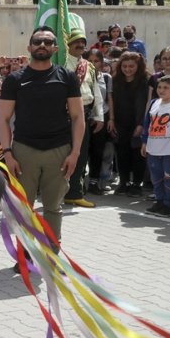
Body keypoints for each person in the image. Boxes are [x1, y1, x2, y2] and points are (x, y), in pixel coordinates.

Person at [0, 27, 84, 268]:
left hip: (59, 150)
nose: (43, 45)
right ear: (29, 47)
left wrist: (75, 153)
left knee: (53, 207)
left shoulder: (66, 77)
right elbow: (3, 119)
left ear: (55, 48)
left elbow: (78, 117)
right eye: (38, 41)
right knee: (24, 208)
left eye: (48, 42)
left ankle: (51, 254)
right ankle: (24, 254)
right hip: (24, 150)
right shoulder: (15, 79)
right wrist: (8, 153)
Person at [62, 20, 104, 209]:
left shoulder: (89, 66)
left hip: (85, 113)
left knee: (81, 154)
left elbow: (95, 92)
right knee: (62, 154)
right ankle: (58, 191)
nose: (80, 45)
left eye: (82, 42)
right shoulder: (61, 64)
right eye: (76, 41)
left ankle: (74, 193)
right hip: (63, 114)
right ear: (68, 44)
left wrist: (99, 116)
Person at [141, 76, 170, 216]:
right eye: (159, 87)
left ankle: (169, 205)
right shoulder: (154, 102)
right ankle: (159, 201)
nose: (161, 90)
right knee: (156, 177)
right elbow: (147, 124)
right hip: (153, 147)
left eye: (166, 87)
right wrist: (144, 142)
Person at [109, 51, 149, 196]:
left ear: (138, 66)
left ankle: (137, 184)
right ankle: (123, 181)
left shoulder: (145, 81)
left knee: (138, 154)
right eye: (124, 66)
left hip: (139, 122)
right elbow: (111, 101)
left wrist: (141, 123)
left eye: (131, 66)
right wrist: (112, 120)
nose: (127, 69)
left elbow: (146, 104)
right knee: (121, 153)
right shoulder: (116, 80)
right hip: (120, 122)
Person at [86, 48, 112, 195]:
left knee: (98, 150)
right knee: (83, 151)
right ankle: (79, 181)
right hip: (85, 117)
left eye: (96, 61)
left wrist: (111, 119)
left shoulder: (106, 77)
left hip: (102, 117)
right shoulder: (79, 76)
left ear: (101, 63)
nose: (93, 63)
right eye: (90, 60)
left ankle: (95, 181)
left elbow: (110, 100)